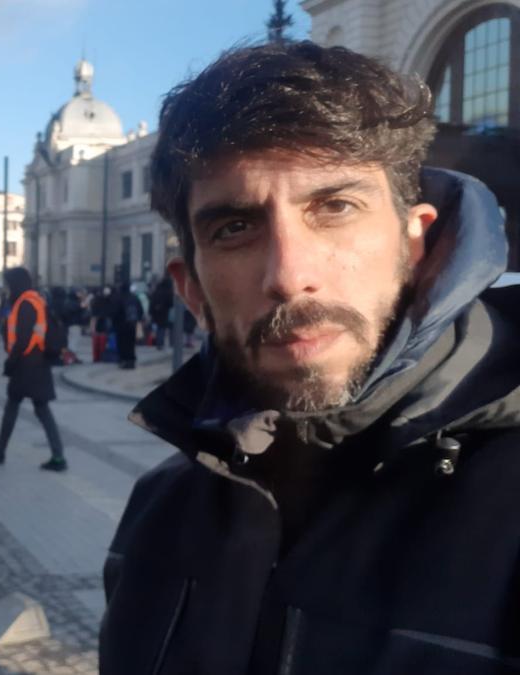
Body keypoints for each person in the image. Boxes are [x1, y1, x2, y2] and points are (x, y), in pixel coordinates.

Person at [99, 41, 520, 674]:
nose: (291, 276)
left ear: (416, 241)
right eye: (235, 228)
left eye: (335, 207)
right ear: (191, 289)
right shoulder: (157, 517)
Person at [0, 267, 67, 472]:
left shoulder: (25, 304)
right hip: (37, 364)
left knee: (16, 407)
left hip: (27, 365)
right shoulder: (35, 300)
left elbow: (23, 340)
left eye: (9, 284)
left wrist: (11, 363)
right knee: (36, 409)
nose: (7, 289)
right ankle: (57, 456)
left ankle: (1, 450)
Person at [112, 283, 141, 370]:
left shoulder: (118, 298)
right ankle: (131, 361)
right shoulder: (134, 297)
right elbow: (140, 310)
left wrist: (114, 323)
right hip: (132, 324)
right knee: (131, 343)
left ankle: (123, 360)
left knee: (122, 343)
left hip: (121, 325)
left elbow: (115, 312)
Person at [149, 275, 174, 349]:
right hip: (164, 313)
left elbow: (152, 302)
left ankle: (157, 342)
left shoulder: (157, 290)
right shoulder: (168, 291)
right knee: (162, 328)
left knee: (157, 328)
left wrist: (151, 311)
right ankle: (160, 343)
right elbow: (170, 303)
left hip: (156, 313)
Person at [89, 286, 114, 362]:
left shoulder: (95, 300)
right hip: (104, 321)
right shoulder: (108, 300)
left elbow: (93, 316)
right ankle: (101, 356)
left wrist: (92, 327)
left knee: (96, 341)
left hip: (98, 321)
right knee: (103, 340)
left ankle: (96, 357)